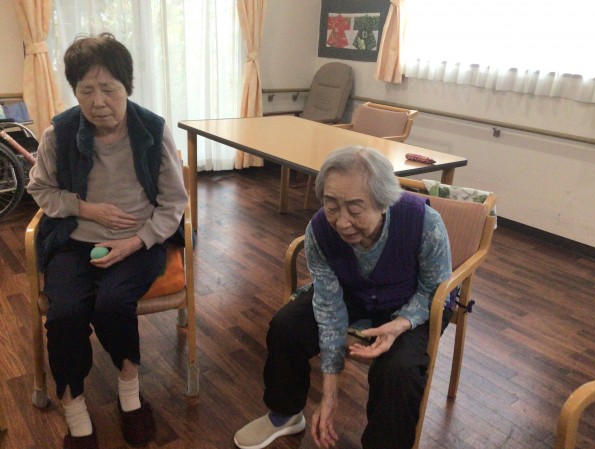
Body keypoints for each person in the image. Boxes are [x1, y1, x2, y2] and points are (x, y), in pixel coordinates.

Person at [27, 33, 188, 449]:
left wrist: (137, 241)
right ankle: (74, 407)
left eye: (109, 89)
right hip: (74, 240)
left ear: (127, 87)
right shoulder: (60, 133)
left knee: (113, 303)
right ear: (75, 91)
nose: (98, 102)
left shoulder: (151, 129)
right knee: (64, 313)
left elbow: (174, 202)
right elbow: (40, 188)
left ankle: (129, 392)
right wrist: (86, 208)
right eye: (86, 91)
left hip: (139, 241)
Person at [234, 146, 454, 449]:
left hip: (410, 303)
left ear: (383, 203)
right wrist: (330, 393)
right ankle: (285, 413)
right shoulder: (319, 231)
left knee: (399, 371)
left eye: (355, 210)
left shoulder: (424, 223)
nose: (341, 222)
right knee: (286, 327)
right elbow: (328, 308)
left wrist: (402, 323)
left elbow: (435, 289)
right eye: (332, 206)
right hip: (350, 293)